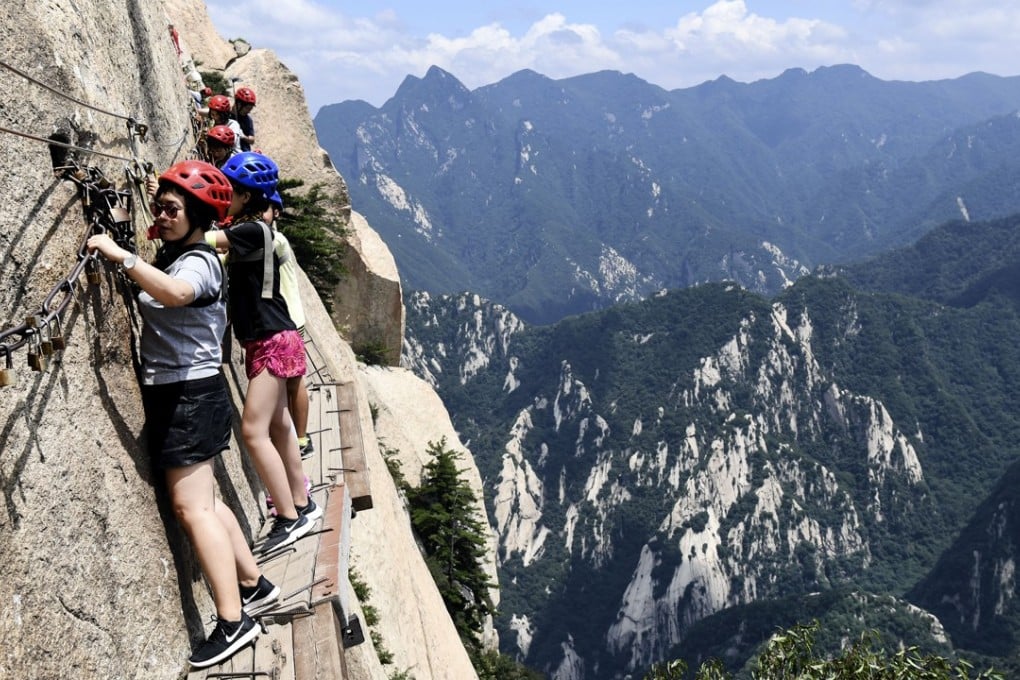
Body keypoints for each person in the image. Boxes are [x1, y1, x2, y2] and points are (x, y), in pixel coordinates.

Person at [86, 160, 280, 669]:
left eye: (173, 209)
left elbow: (175, 293)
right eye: (160, 207)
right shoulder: (181, 254)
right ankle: (253, 583)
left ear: (198, 216)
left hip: (187, 396)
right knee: (207, 501)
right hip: (192, 392)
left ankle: (234, 621)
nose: (162, 215)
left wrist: (121, 256)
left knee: (191, 508)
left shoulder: (199, 263)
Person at [207, 151, 322, 555]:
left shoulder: (253, 230)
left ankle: (288, 517)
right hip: (275, 337)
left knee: (254, 433)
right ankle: (302, 503)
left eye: (230, 191)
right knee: (279, 426)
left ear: (245, 196)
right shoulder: (256, 229)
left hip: (271, 339)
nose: (225, 197)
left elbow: (206, 240)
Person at [265, 191, 313, 459]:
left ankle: (302, 439)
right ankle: (299, 437)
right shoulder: (271, 237)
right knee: (292, 382)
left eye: (266, 208)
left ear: (276, 213)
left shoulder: (276, 240)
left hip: (289, 321)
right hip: (288, 318)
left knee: (294, 383)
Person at [232, 87, 257, 152]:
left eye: (250, 109)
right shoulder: (226, 115)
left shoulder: (248, 120)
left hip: (244, 152)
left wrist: (243, 136)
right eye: (247, 108)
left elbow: (252, 140)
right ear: (239, 104)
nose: (249, 111)